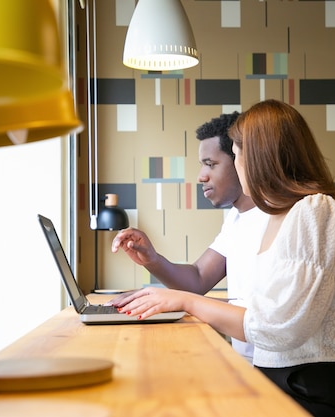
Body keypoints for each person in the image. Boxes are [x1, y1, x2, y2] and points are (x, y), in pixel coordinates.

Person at [109, 99, 335, 417]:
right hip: (282, 381)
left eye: (233, 157)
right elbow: (209, 284)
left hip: (313, 393)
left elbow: (282, 327)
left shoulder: (314, 210)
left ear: (261, 156)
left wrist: (184, 302)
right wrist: (166, 281)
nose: (234, 166)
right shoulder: (275, 213)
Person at [110, 112, 270, 361]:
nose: (200, 176)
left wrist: (182, 301)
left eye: (211, 164)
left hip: (279, 372)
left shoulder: (279, 217)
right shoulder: (236, 218)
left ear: (241, 159)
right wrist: (152, 259)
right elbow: (197, 279)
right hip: (251, 364)